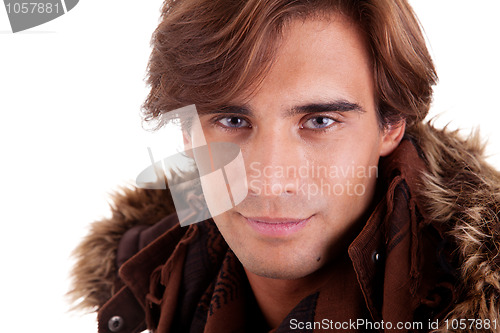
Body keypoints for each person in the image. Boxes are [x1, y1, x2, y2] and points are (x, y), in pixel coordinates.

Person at [68, 0, 500, 332]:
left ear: (391, 126)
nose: (270, 181)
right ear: (188, 131)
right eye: (232, 120)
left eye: (320, 121)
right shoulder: (152, 278)